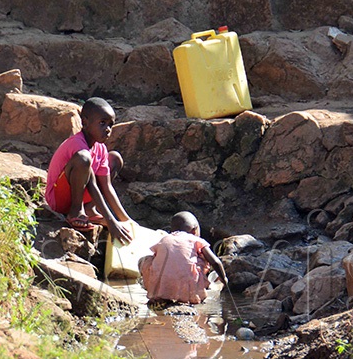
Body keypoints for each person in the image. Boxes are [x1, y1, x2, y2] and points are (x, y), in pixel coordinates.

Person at [45, 97, 134, 244]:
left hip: (81, 193)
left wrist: (126, 220)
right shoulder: (77, 144)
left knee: (115, 158)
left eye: (111, 125)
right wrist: (111, 222)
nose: (107, 129)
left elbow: (106, 186)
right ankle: (75, 211)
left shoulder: (101, 149)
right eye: (102, 123)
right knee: (84, 159)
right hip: (59, 198)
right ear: (85, 122)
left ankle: (90, 210)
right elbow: (92, 185)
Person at [138, 211, 228, 305]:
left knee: (146, 260)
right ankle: (196, 293)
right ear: (194, 230)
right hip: (188, 287)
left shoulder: (165, 239)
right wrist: (224, 278)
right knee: (201, 259)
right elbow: (215, 262)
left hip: (162, 287)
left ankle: (157, 294)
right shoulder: (196, 240)